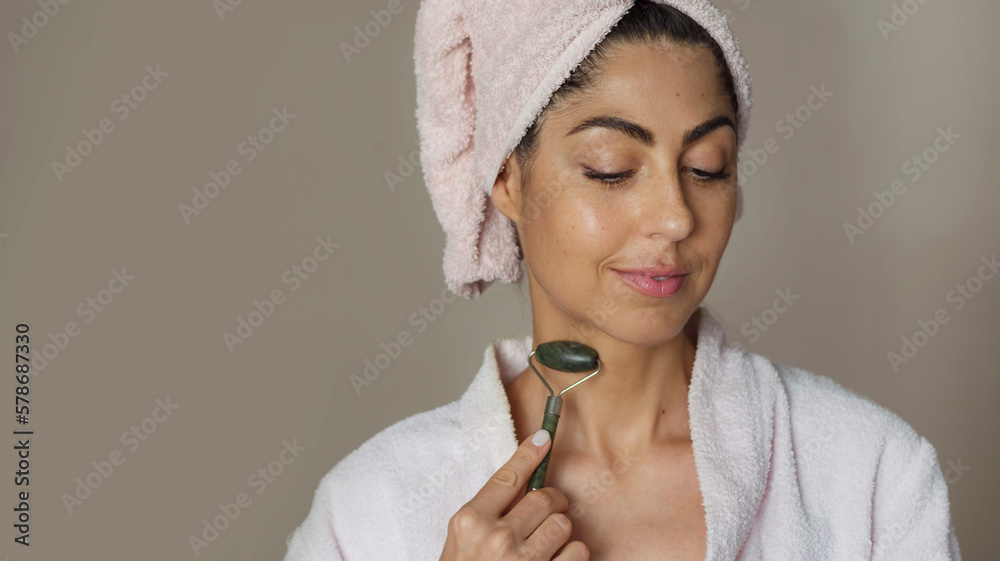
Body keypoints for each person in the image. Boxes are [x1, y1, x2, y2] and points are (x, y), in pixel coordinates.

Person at [283, 1, 961, 559]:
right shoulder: (367, 511)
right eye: (611, 168)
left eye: (707, 167)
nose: (675, 217)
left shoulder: (871, 475)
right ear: (507, 179)